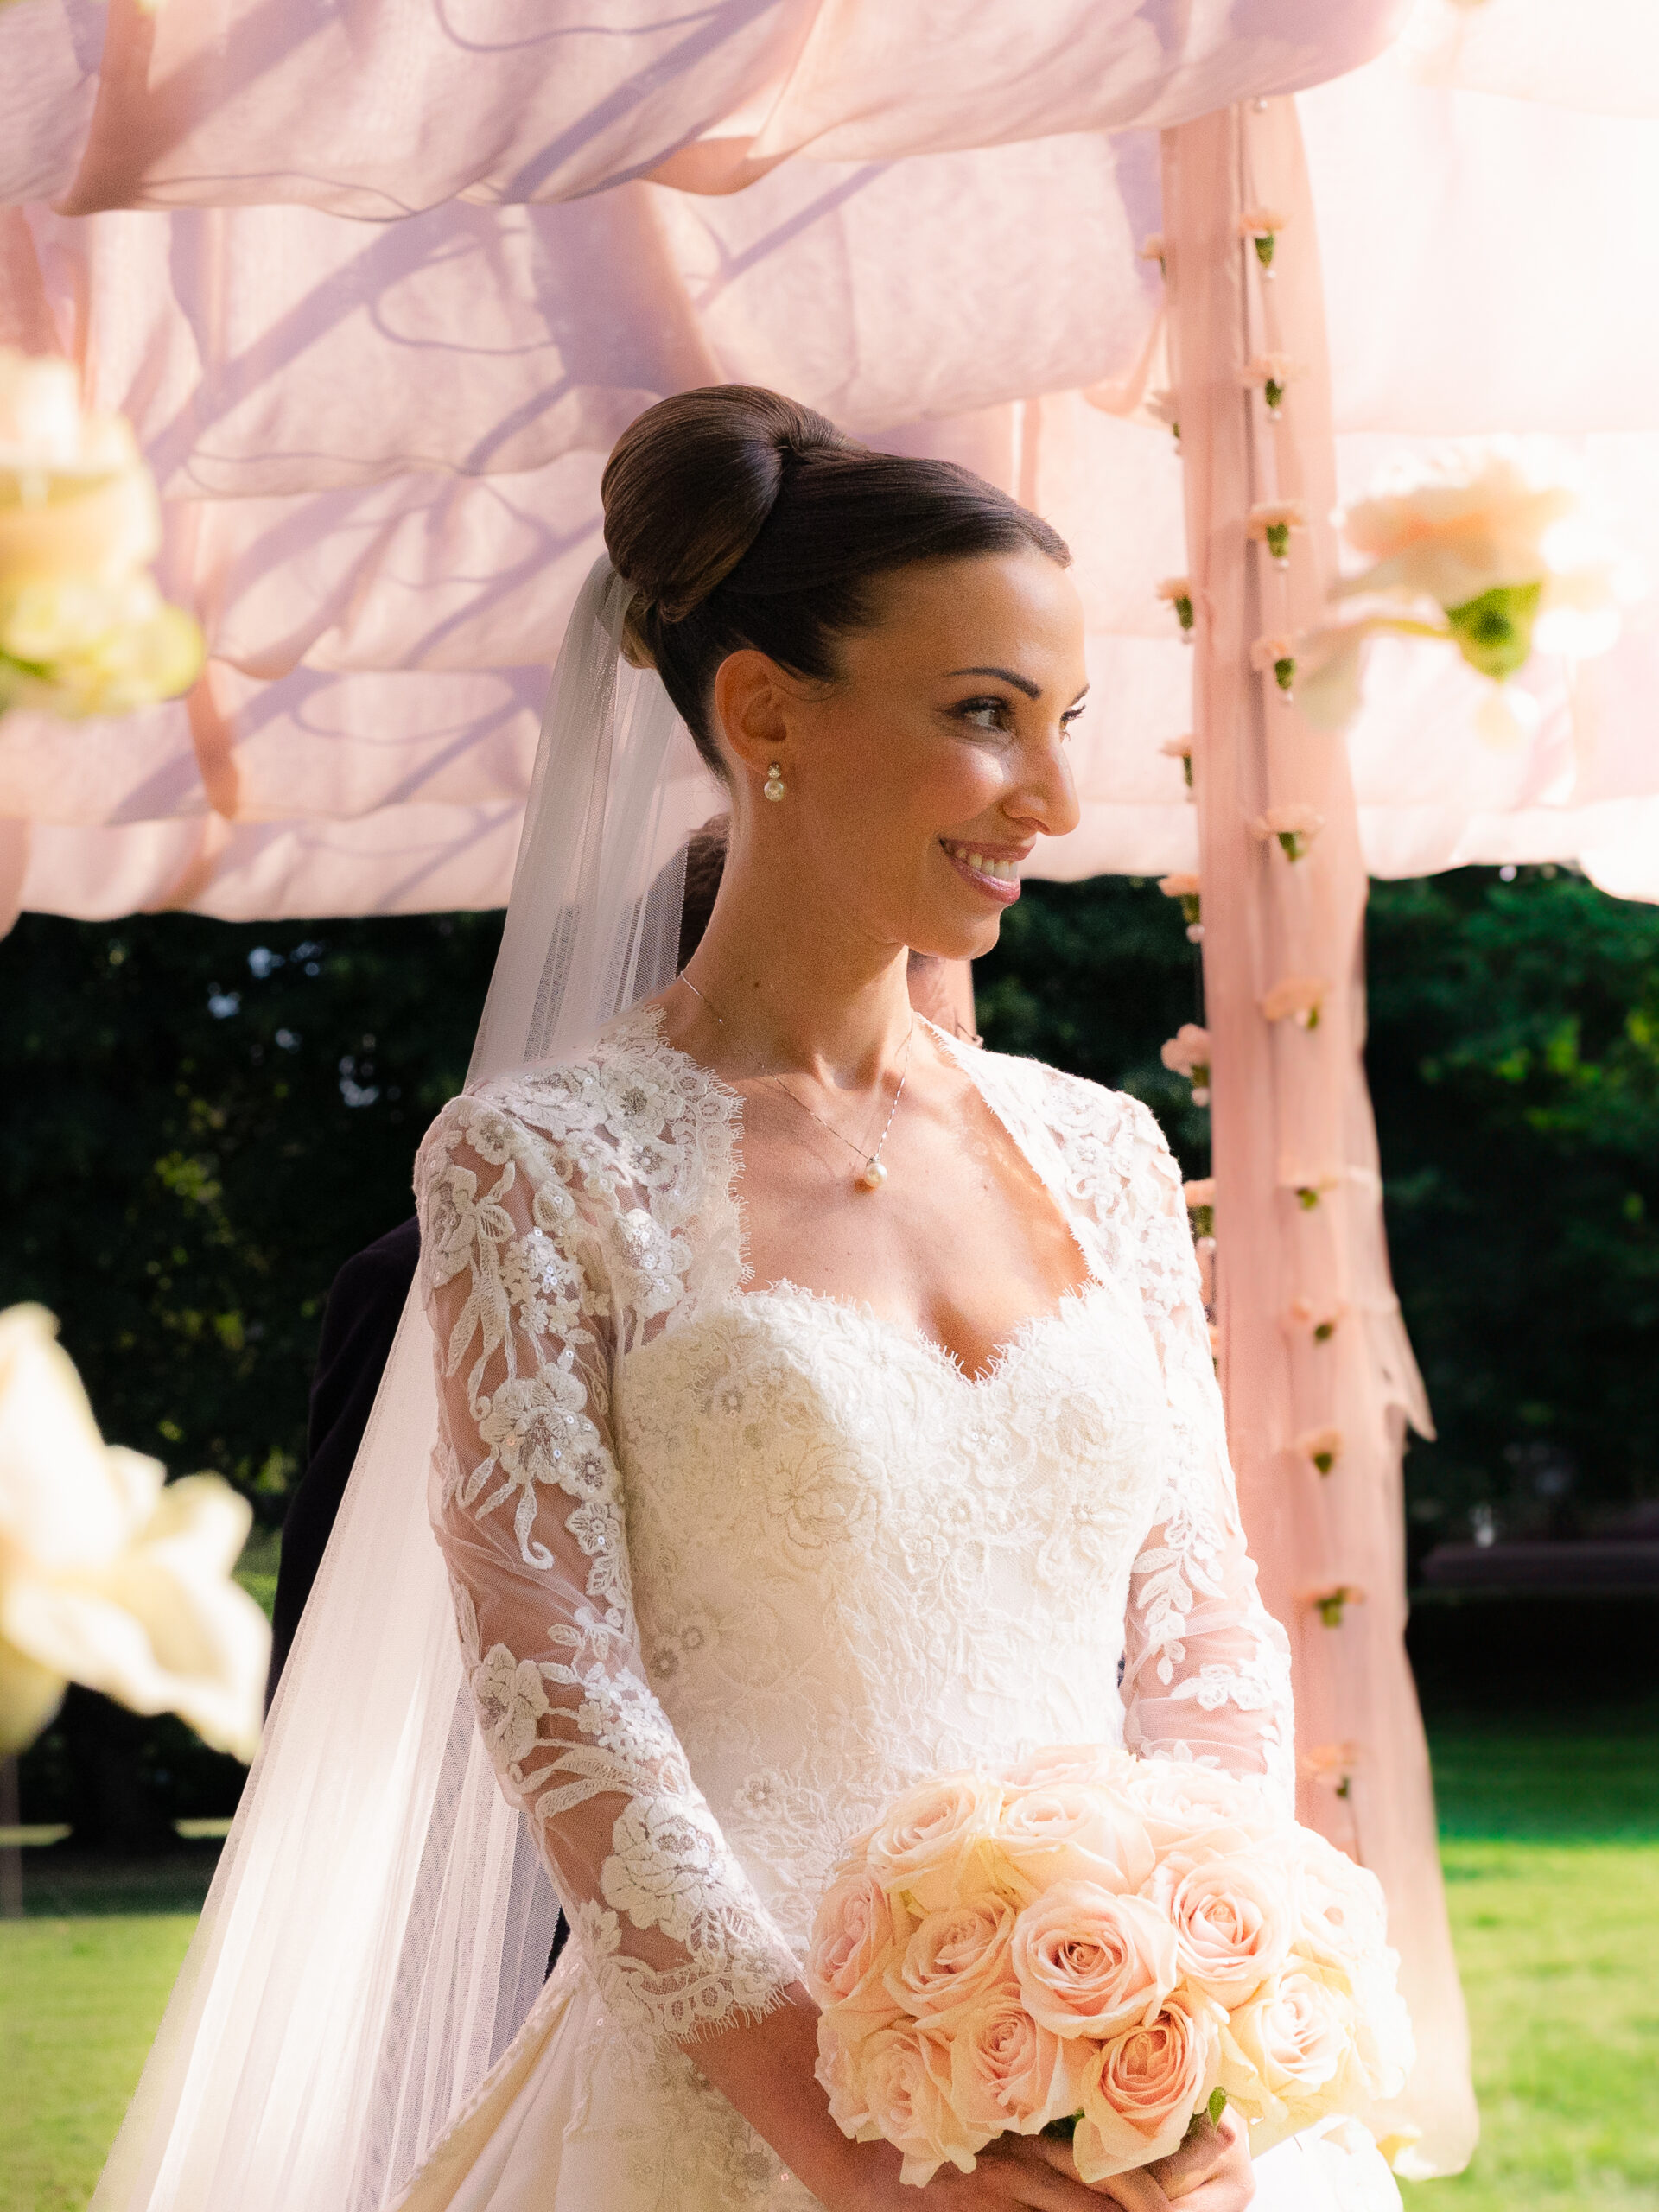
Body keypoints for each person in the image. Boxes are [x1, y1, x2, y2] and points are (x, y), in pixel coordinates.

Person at [404, 388, 1301, 2212]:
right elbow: (562, 1700)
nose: (1052, 800)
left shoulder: (1108, 1149)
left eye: (1065, 725)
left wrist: (1191, 2019)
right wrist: (858, 2140)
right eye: (985, 718)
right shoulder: (538, 1165)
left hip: (1131, 2108)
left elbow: (1205, 1620)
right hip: (742, 2104)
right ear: (764, 712)